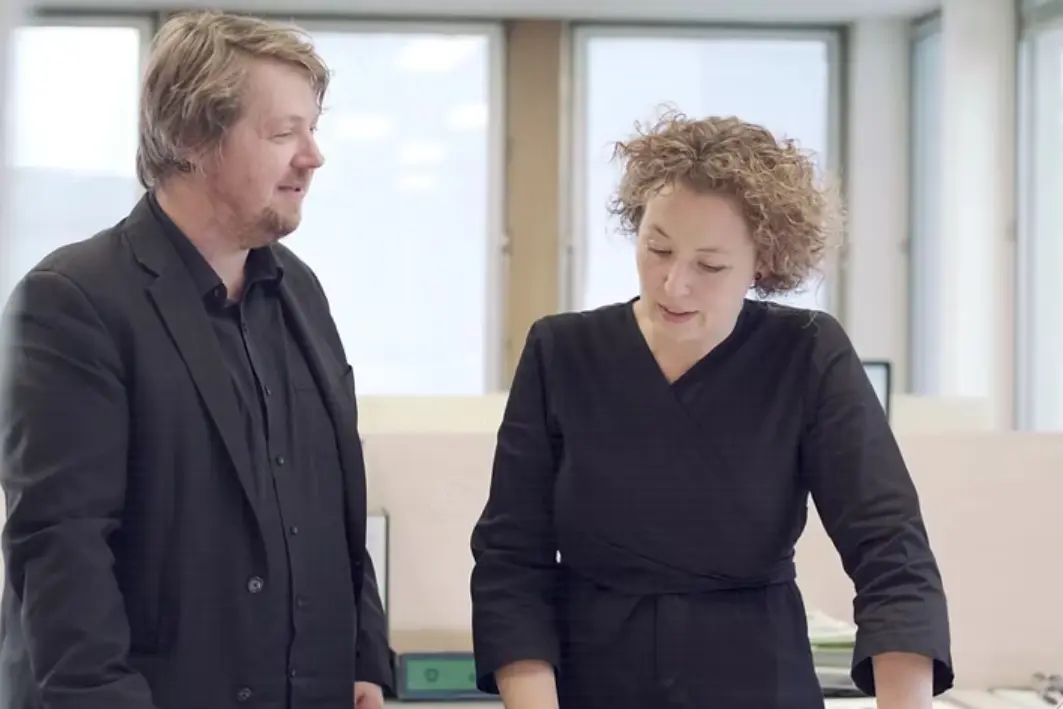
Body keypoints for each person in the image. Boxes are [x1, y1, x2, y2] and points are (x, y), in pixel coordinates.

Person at [469, 111, 954, 709]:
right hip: (593, 677)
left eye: (711, 265)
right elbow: (511, 559)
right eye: (657, 248)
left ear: (764, 263)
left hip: (756, 676)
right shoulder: (562, 352)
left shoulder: (805, 352)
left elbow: (890, 550)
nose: (674, 284)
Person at [0, 11, 391, 709]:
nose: (312, 155)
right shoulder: (73, 302)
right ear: (191, 138)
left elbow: (334, 506)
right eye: (282, 132)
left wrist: (363, 655)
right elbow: (62, 549)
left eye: (312, 128)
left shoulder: (299, 290)